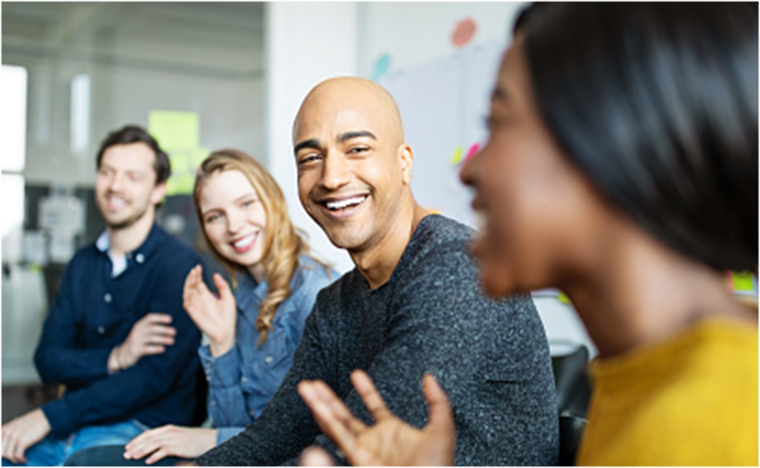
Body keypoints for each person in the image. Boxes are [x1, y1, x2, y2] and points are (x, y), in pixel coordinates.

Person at [297, 2, 759, 466]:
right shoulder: (643, 381)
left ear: (607, 150)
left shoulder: (716, 423)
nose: (470, 169)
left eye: (500, 124)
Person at [194, 77, 559, 466]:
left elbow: (355, 449)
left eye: (357, 149)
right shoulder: (335, 304)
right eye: (310, 158)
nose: (332, 177)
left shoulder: (456, 270)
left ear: (404, 162)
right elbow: (274, 437)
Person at [116, 149, 338, 464]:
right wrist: (222, 342)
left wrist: (208, 439)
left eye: (246, 203)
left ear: (272, 200)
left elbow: (317, 439)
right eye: (214, 216)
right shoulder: (241, 297)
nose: (233, 226)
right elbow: (230, 423)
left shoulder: (316, 295)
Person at [1, 125, 206, 466]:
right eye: (107, 172)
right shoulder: (82, 264)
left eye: (132, 177)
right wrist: (115, 358)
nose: (115, 186)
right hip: (72, 427)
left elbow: (149, 380)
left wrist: (48, 416)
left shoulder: (179, 267)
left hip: (139, 431)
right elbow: (48, 360)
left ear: (158, 190)